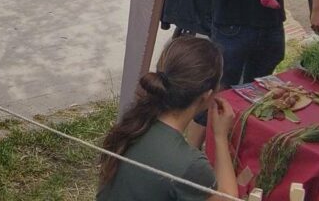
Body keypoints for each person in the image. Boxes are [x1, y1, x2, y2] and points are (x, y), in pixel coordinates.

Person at [98, 37, 237, 201]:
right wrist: (220, 137)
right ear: (207, 95)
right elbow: (230, 198)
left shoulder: (134, 124)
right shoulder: (191, 166)